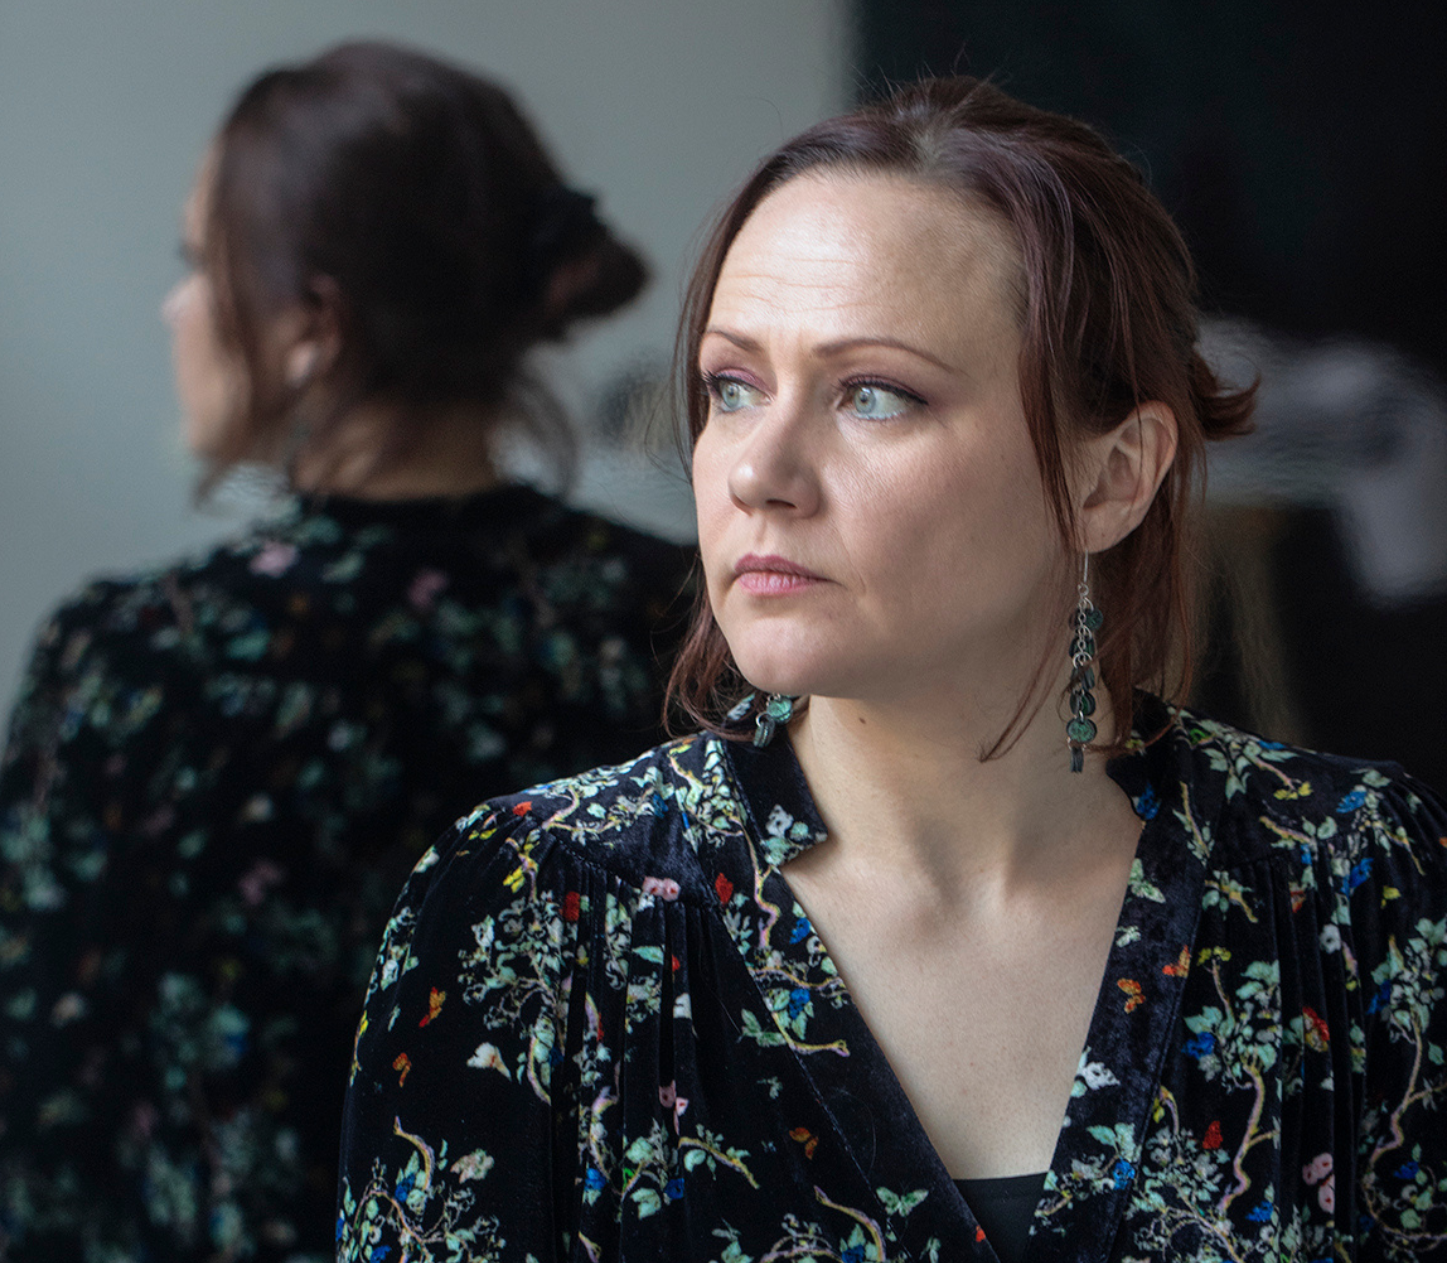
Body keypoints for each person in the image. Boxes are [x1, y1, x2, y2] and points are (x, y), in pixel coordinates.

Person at [336, 77, 1447, 1263]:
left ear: (1112, 476)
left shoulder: (1350, 885)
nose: (758, 471)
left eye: (874, 395)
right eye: (731, 388)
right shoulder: (533, 913)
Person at [0, 42, 692, 1263]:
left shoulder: (138, 668)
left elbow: (29, 1151)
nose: (176, 307)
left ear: (310, 328)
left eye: (198, 263)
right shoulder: (676, 623)